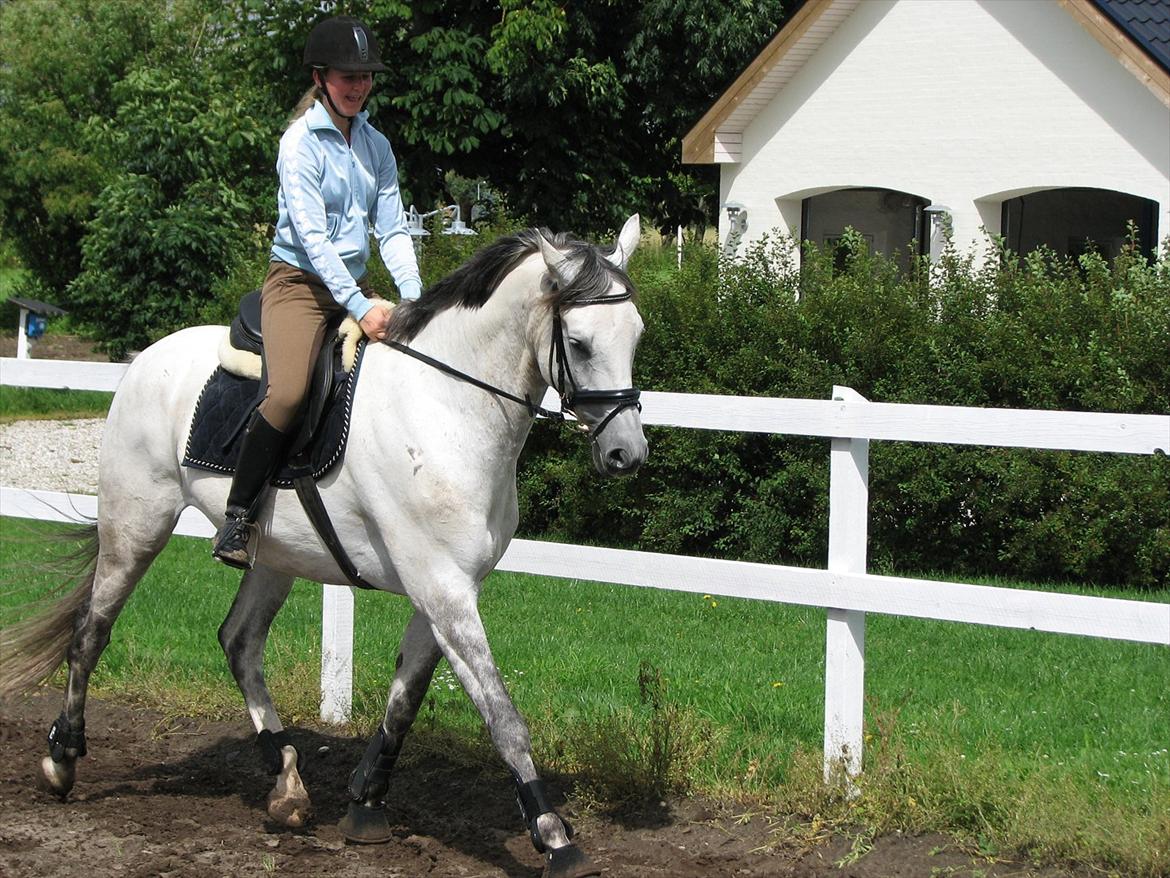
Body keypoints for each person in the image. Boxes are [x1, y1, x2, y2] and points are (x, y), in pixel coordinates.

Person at [213, 15, 423, 569]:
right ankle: (238, 516)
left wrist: (414, 300)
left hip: (352, 284)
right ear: (321, 77)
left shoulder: (376, 146)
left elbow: (394, 228)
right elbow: (311, 238)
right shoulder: (299, 143)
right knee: (287, 392)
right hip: (298, 285)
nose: (357, 86)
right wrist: (361, 307)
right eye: (346, 76)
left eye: (365, 76)